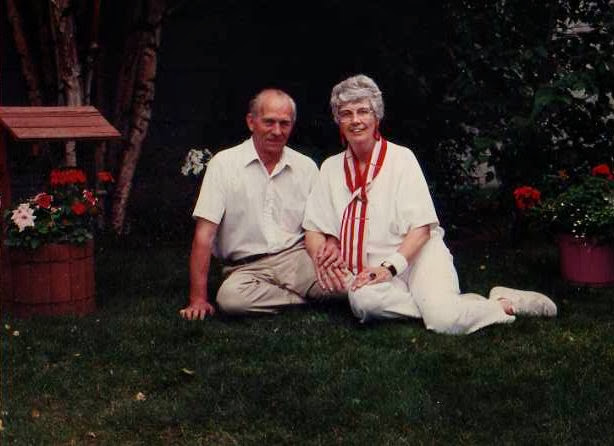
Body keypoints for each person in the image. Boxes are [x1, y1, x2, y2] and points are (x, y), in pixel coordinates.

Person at [303, 74, 557, 335]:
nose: (355, 120)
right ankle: (446, 306)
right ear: (338, 121)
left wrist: (390, 268)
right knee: (363, 302)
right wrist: (324, 257)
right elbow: (313, 227)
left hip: (418, 255)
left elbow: (422, 229)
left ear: (376, 117)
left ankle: (501, 303)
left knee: (444, 322)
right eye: (346, 114)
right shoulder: (331, 168)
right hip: (370, 270)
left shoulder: (401, 159)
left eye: (363, 111)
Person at [180, 88, 329, 320]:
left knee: (345, 287)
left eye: (284, 123)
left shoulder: (306, 167)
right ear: (251, 122)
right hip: (245, 268)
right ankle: (306, 299)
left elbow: (317, 226)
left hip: (297, 259)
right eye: (269, 122)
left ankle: (293, 296)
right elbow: (204, 235)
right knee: (231, 301)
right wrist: (197, 299)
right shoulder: (224, 164)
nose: (277, 131)